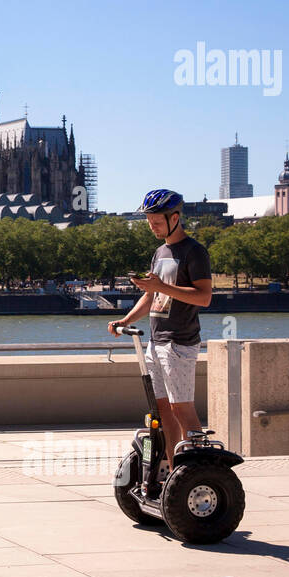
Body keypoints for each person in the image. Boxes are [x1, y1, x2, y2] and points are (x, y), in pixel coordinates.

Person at [109, 189, 213, 478]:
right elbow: (152, 296)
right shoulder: (160, 252)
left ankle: (199, 473)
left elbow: (204, 297)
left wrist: (161, 287)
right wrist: (125, 319)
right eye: (149, 221)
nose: (151, 226)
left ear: (175, 218)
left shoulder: (194, 251)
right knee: (163, 412)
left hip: (179, 342)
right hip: (156, 341)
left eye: (156, 221)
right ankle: (173, 473)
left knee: (183, 410)